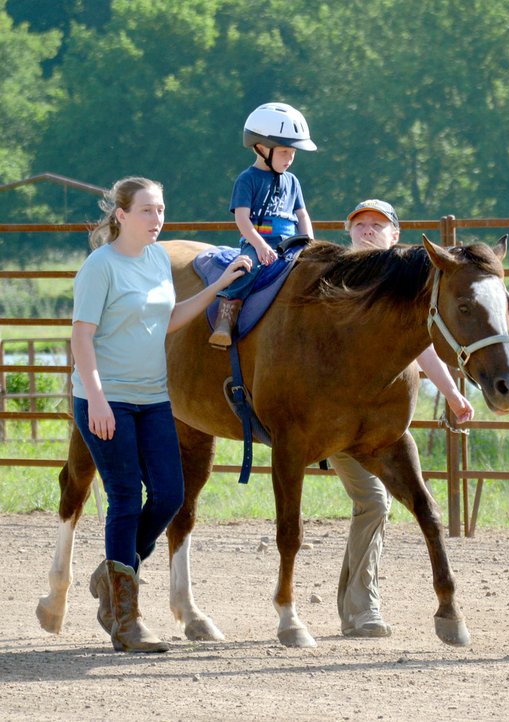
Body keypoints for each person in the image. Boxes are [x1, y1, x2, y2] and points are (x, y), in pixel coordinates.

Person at [72, 176, 251, 653]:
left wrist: (217, 286)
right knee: (127, 496)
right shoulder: (100, 267)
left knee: (170, 494)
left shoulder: (155, 262)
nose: (158, 219)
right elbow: (82, 337)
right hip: (105, 398)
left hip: (153, 397)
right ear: (122, 216)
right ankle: (126, 621)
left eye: (162, 210)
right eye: (148, 211)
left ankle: (113, 573)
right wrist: (97, 398)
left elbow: (167, 320)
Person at [330, 199, 475, 637]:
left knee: (373, 504)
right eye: (360, 225)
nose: (368, 231)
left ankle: (356, 605)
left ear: (396, 236)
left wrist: (451, 391)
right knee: (374, 502)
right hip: (334, 415)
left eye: (378, 225)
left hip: (380, 420)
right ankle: (360, 606)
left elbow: (423, 344)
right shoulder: (337, 280)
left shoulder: (404, 289)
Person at [209, 101, 316, 348]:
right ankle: (225, 316)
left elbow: (302, 215)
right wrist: (258, 245)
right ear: (261, 147)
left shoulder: (293, 181)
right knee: (248, 268)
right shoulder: (247, 179)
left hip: (291, 242)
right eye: (284, 152)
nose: (289, 159)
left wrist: (309, 241)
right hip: (259, 241)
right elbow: (242, 219)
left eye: (293, 153)